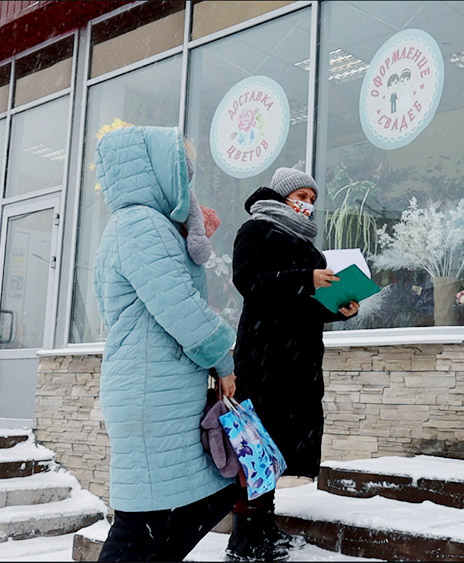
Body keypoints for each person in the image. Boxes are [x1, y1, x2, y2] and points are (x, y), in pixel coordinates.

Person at [93, 126, 238, 561]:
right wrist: (222, 358)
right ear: (154, 173)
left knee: (176, 507)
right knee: (143, 521)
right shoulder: (140, 225)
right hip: (150, 393)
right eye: (181, 174)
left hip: (152, 389)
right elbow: (180, 306)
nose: (186, 186)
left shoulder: (135, 226)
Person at [225, 167, 359, 562]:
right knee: (257, 448)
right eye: (302, 195)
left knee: (279, 448)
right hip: (265, 356)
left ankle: (265, 527)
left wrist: (341, 308)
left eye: (313, 200)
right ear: (282, 195)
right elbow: (250, 282)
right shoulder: (256, 230)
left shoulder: (308, 243)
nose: (308, 204)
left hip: (298, 363)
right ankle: (244, 540)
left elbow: (308, 304)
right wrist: (307, 278)